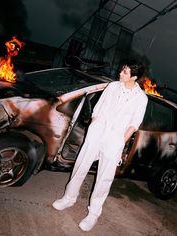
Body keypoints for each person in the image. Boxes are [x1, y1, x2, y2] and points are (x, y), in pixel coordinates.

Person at [52, 61, 148, 231]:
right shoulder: (112, 86)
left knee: (104, 178)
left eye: (125, 72)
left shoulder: (141, 98)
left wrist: (121, 141)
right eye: (122, 70)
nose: (120, 73)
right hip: (96, 133)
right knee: (80, 165)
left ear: (134, 77)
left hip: (115, 140)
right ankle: (69, 197)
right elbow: (98, 107)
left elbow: (135, 123)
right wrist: (94, 124)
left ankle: (93, 214)